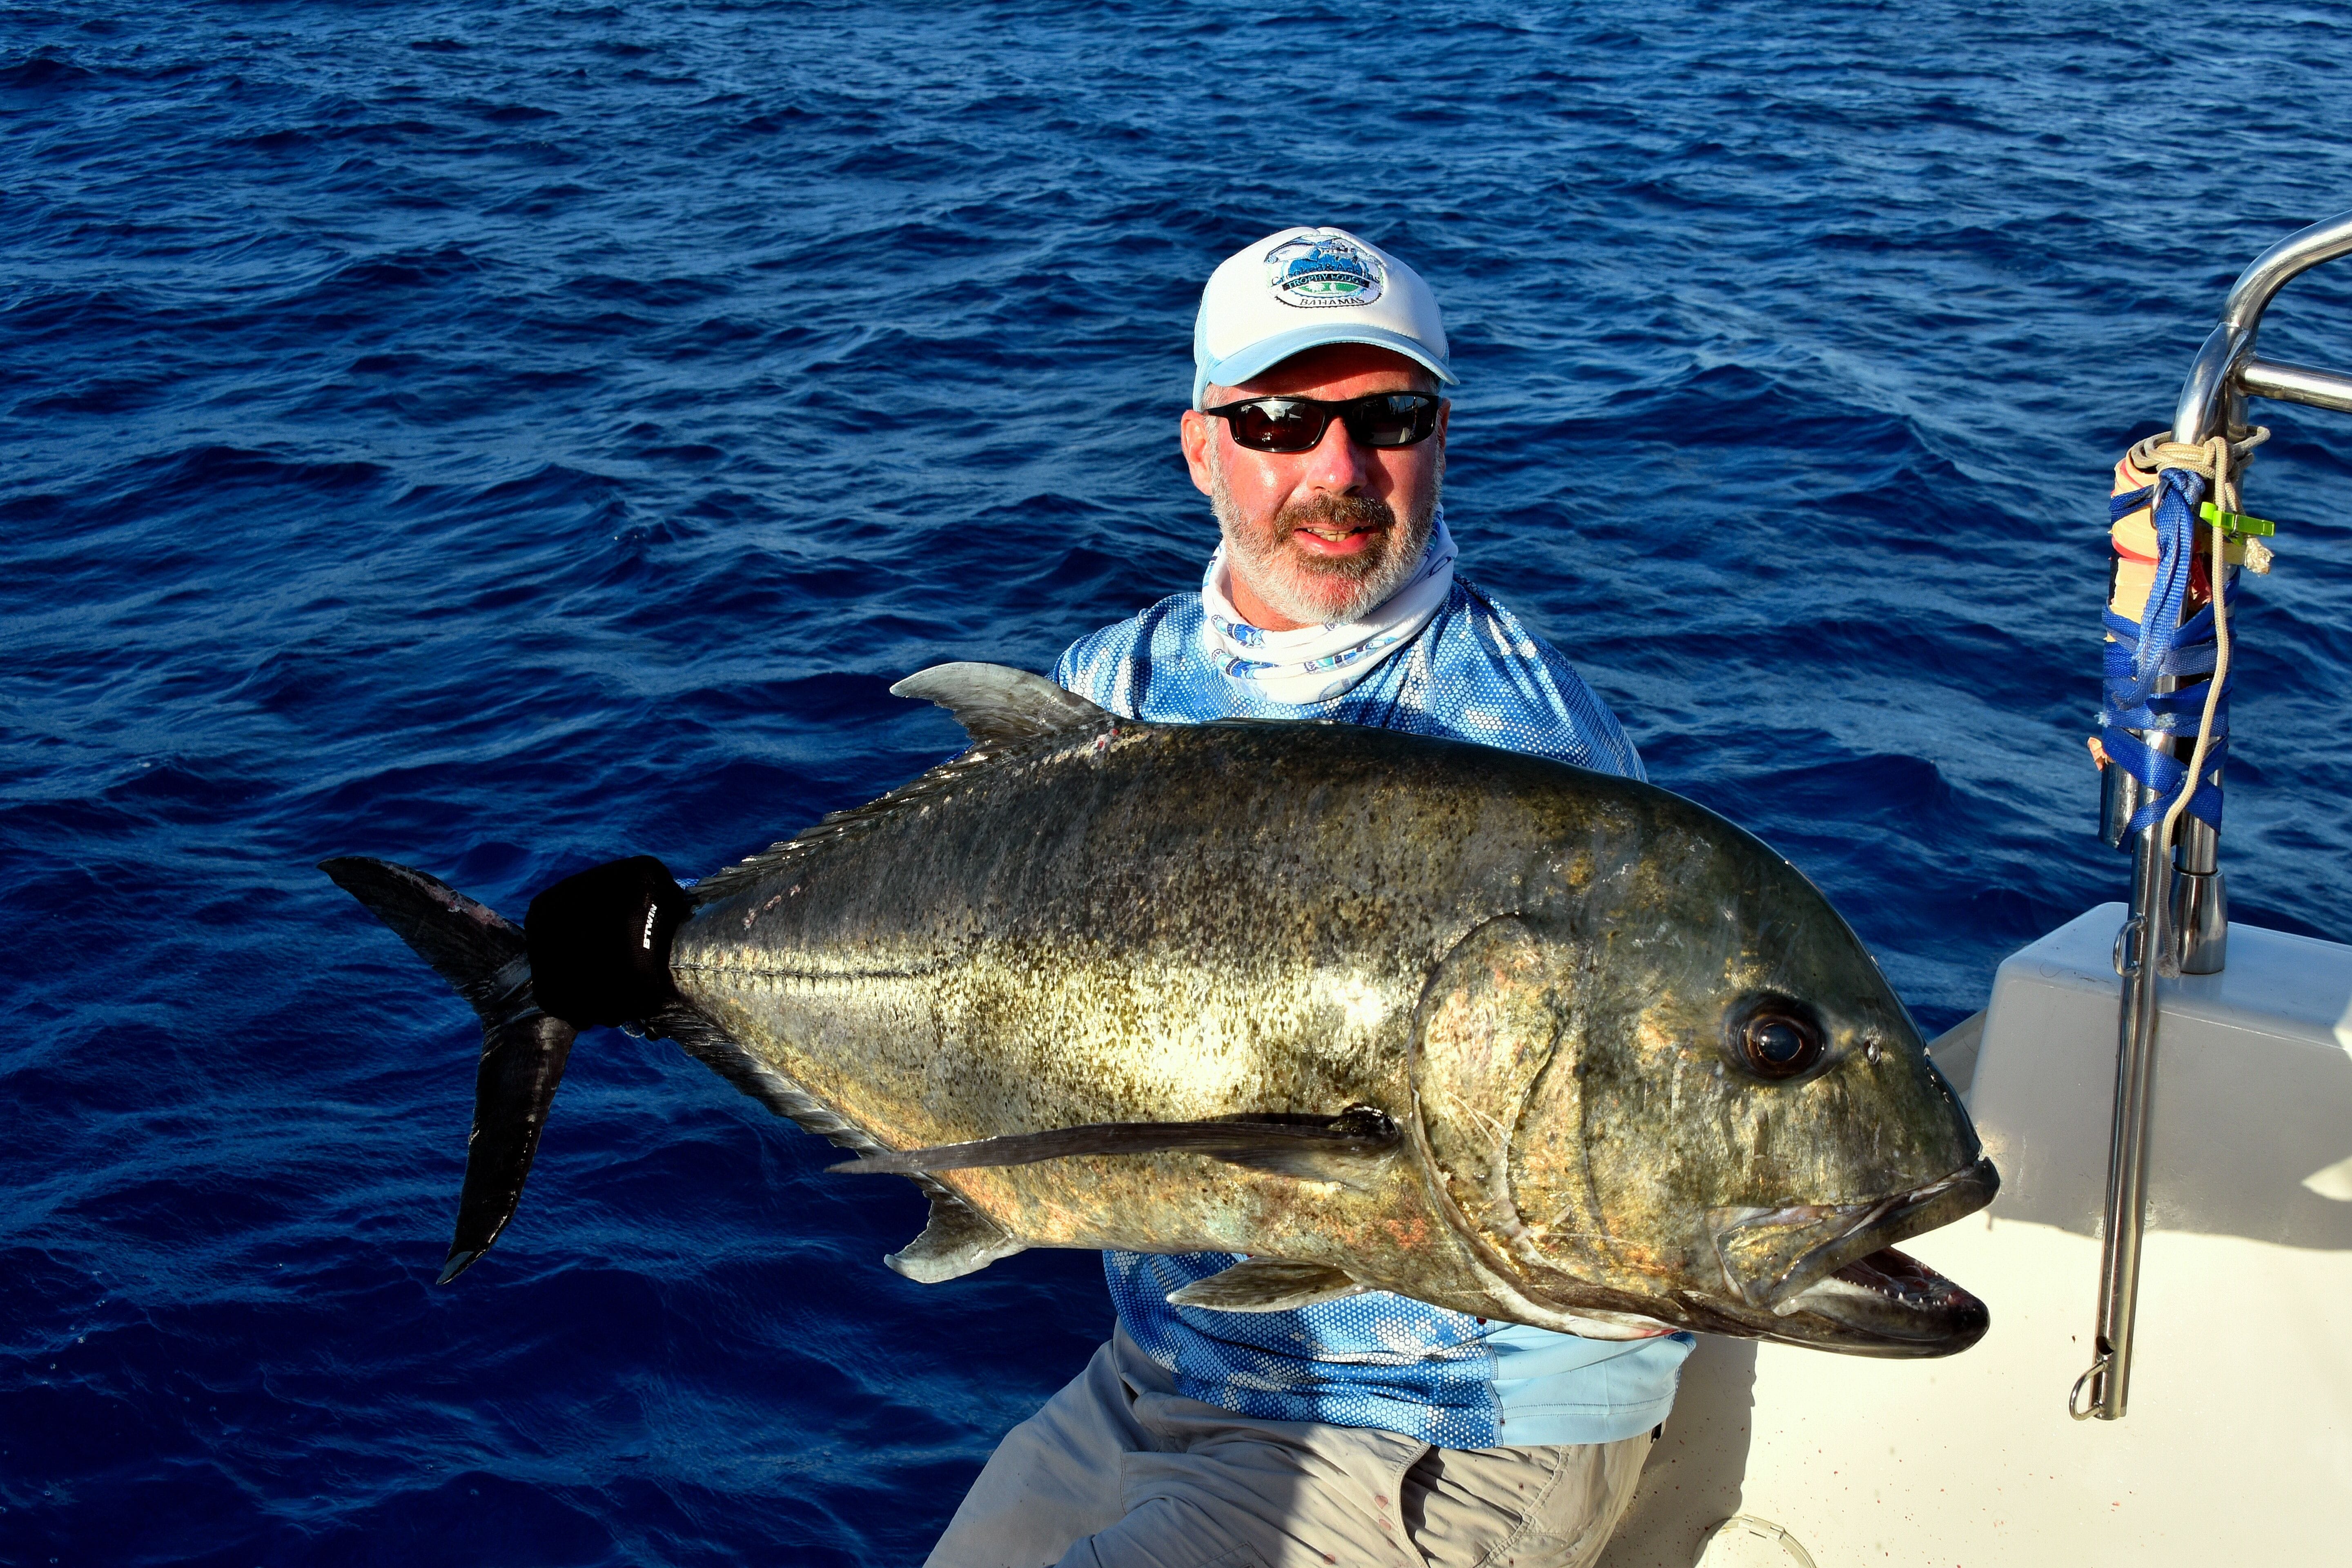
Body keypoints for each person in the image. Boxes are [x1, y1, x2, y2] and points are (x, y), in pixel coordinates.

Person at [925, 227, 1692, 1568]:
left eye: (1387, 419)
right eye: (1281, 420)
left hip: (1440, 1425)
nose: (1339, 473)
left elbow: (1616, 1177)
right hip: (1160, 1371)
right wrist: (668, 966)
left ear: (1441, 437)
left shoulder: (1533, 761)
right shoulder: (1115, 684)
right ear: (1202, 444)